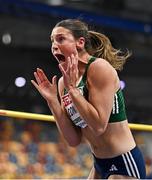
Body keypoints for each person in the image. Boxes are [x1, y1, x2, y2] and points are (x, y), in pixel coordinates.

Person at [31, 19, 146, 179]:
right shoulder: (64, 82)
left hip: (123, 162)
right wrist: (52, 101)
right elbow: (73, 139)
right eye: (52, 41)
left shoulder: (99, 68)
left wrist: (73, 91)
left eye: (61, 39)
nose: (54, 46)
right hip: (99, 164)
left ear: (80, 42)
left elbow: (98, 126)